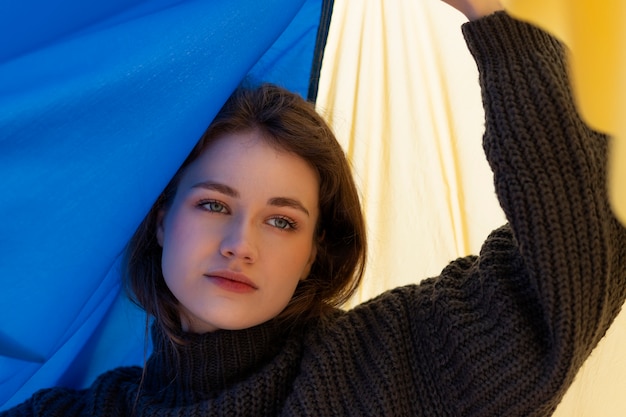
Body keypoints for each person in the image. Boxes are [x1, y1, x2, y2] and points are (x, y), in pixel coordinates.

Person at [3, 0, 626, 415]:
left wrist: (495, 16)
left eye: (282, 220)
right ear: (163, 219)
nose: (239, 244)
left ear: (314, 254)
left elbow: (586, 241)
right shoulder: (87, 409)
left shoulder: (388, 367)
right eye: (215, 204)